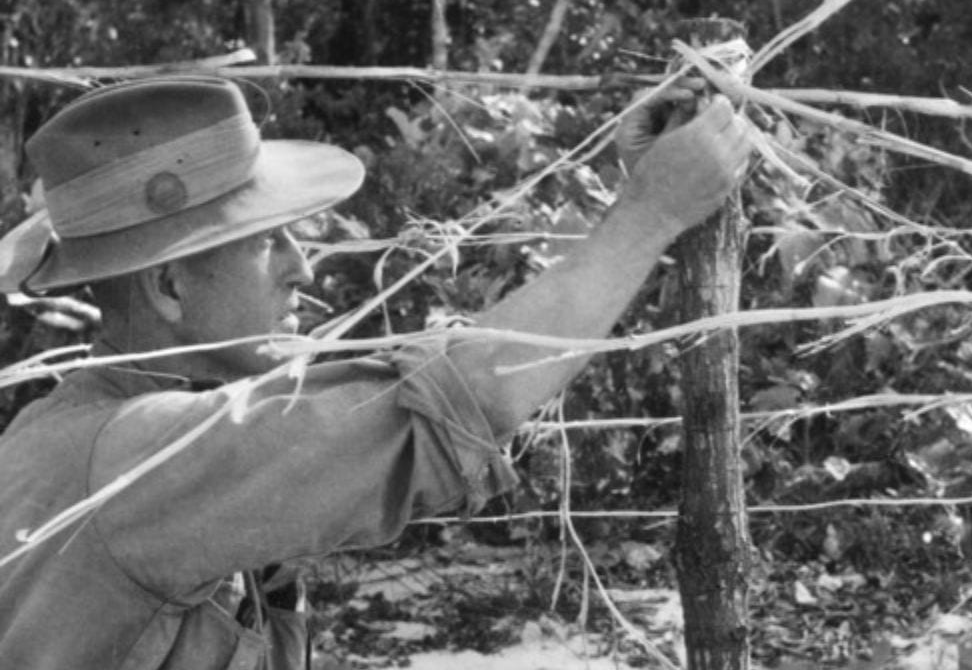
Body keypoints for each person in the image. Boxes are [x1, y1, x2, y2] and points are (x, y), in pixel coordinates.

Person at [0, 75, 750, 669]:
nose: (303, 268)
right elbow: (465, 399)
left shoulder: (90, 427)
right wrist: (652, 211)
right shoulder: (138, 458)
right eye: (268, 241)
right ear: (169, 287)